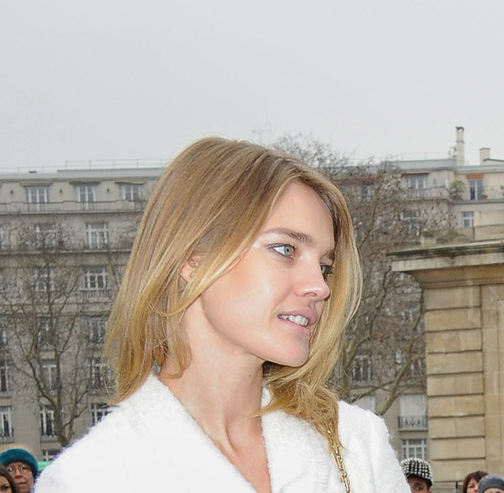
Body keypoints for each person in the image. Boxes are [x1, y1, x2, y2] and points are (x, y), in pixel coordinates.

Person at [35, 137, 408, 493]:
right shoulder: (91, 479)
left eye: (324, 266)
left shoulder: (355, 445)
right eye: (285, 249)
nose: (319, 286)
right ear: (192, 259)